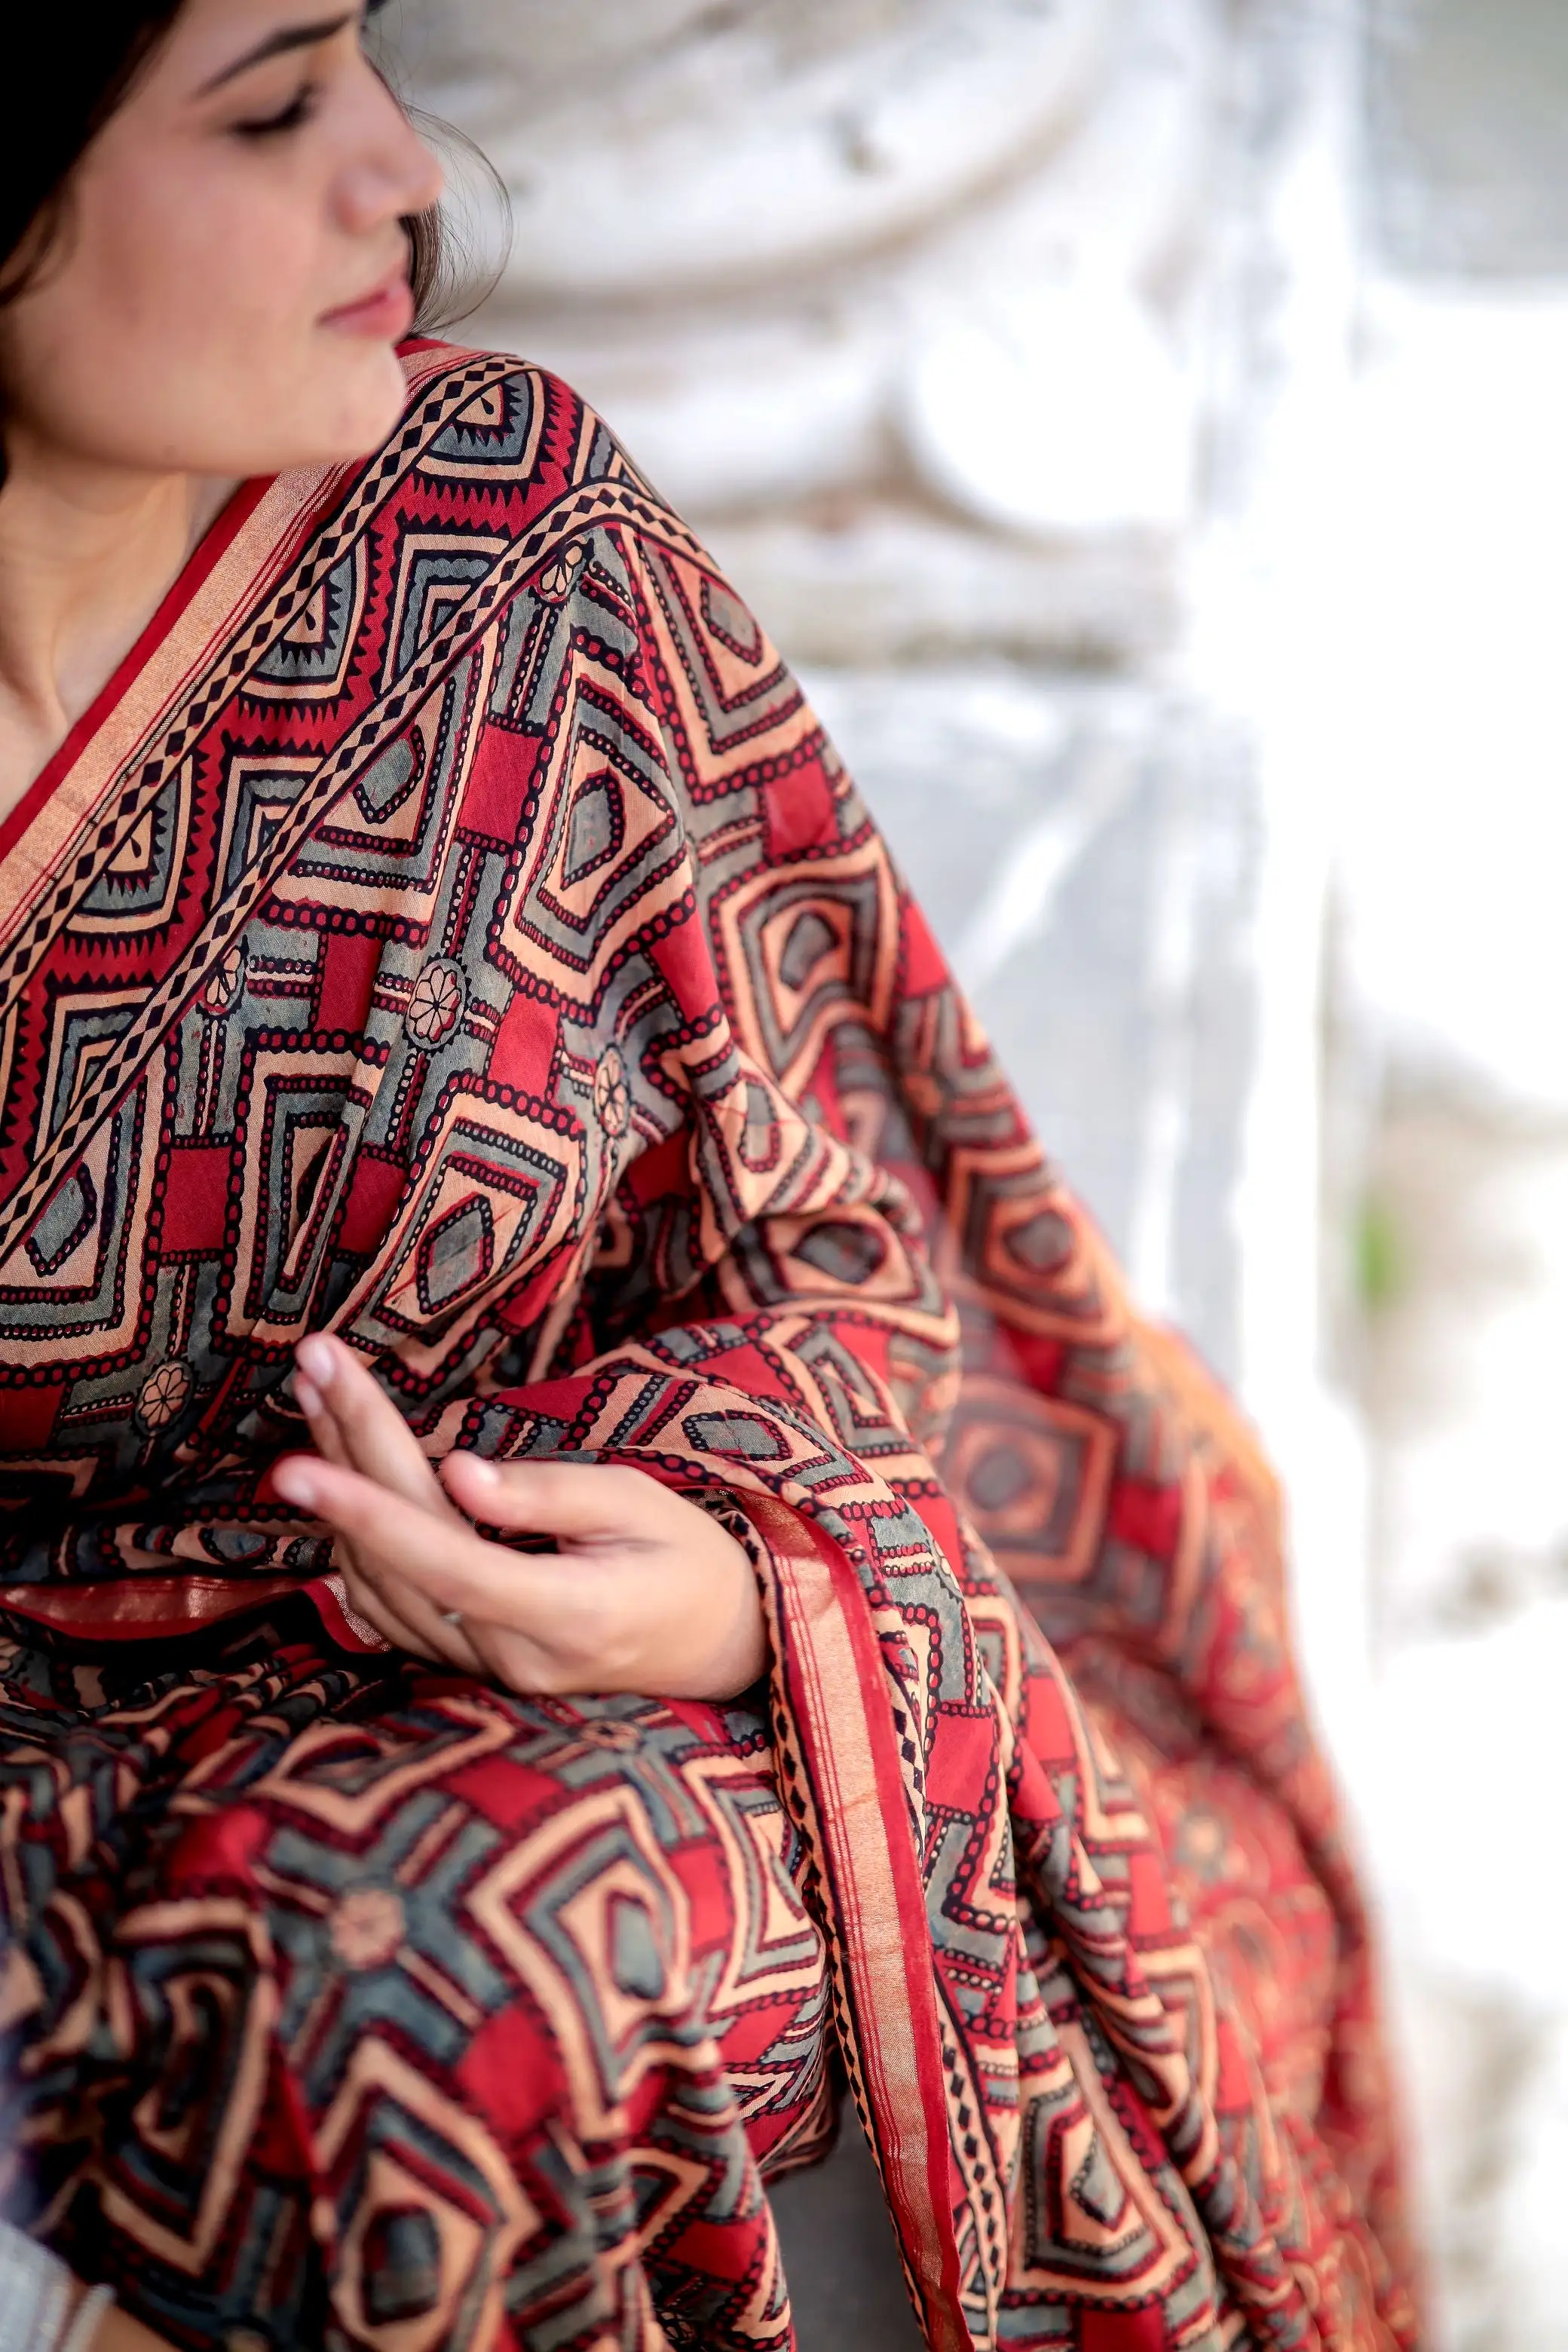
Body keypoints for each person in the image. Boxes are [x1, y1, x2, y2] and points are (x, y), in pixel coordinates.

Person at [0, 5, 1420, 2347]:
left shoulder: (506, 539)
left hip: (557, 1694)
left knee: (486, 1965)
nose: (405, 170)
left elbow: (850, 1241)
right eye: (269, 109)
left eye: (365, 52)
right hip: (65, 1738)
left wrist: (737, 1590)